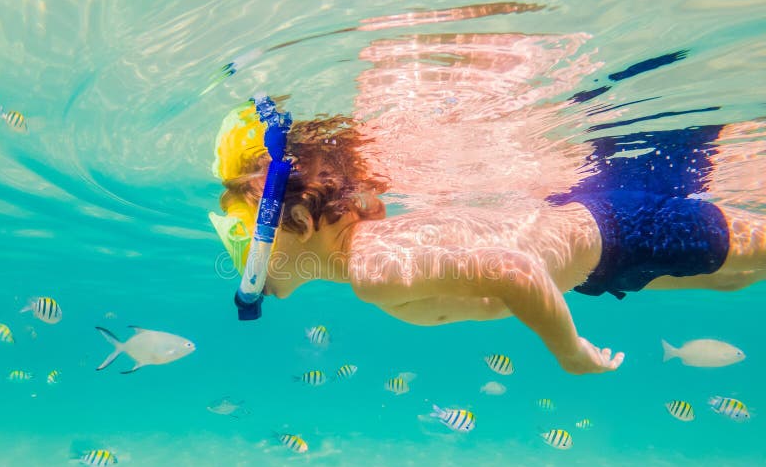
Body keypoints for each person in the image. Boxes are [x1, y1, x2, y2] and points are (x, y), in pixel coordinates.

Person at [209, 95, 765, 376]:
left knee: (755, 254)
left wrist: (568, 352)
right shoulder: (372, 256)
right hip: (598, 266)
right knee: (733, 283)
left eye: (241, 233)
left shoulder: (373, 269)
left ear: (300, 222)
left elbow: (515, 270)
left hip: (622, 233)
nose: (237, 253)